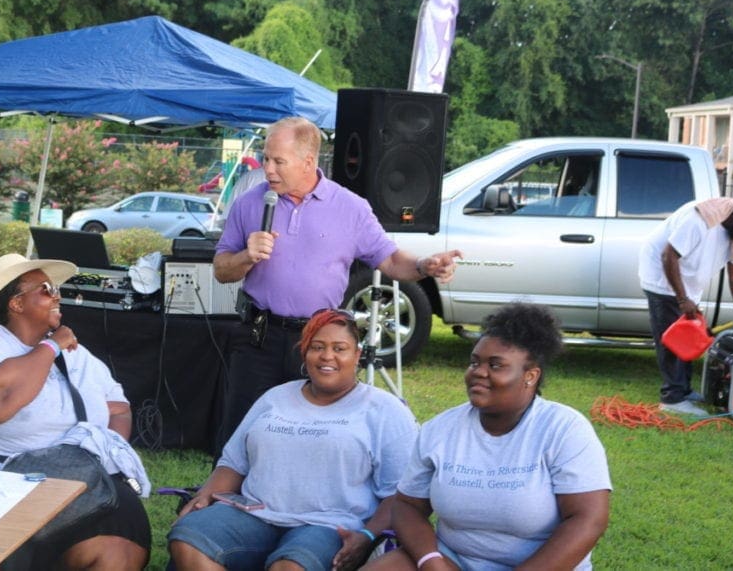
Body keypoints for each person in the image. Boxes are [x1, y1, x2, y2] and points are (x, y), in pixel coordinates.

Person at [213, 116, 462, 448]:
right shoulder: (251, 202)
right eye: (266, 158)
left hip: (319, 341)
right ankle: (226, 497)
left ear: (308, 161)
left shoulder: (351, 208)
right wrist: (246, 255)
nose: (268, 169)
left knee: (313, 435)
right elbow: (221, 269)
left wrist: (423, 265)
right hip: (259, 336)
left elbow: (388, 260)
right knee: (241, 433)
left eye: (278, 161)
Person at [0, 253, 151, 571]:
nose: (57, 294)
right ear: (15, 304)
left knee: (121, 539)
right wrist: (50, 348)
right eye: (46, 288)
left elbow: (118, 408)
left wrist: (103, 450)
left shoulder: (78, 355)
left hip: (76, 477)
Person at [363, 302, 611, 571]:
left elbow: (588, 519)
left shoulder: (564, 429)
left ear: (530, 376)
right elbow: (407, 506)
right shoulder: (441, 429)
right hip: (453, 560)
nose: (478, 372)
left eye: (496, 365)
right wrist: (430, 561)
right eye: (474, 362)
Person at [168, 309, 419, 571]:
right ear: (305, 353)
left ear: (357, 355)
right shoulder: (275, 397)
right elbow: (233, 462)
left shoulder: (384, 410)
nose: (327, 356)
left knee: (290, 567)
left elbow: (400, 495)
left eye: (340, 348)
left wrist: (366, 537)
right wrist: (203, 498)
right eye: (317, 347)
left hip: (330, 524)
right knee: (188, 538)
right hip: (255, 513)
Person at [638, 197, 733, 416]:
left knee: (690, 337)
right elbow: (668, 255)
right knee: (673, 339)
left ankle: (684, 389)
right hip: (662, 280)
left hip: (688, 284)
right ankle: (672, 399)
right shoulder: (699, 218)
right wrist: (682, 299)